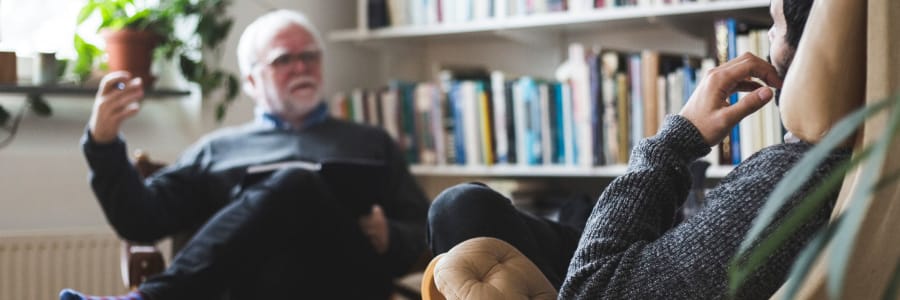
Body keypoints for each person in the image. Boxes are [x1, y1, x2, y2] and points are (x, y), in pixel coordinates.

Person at [427, 0, 840, 298]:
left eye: (774, 23)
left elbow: (592, 290)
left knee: (459, 207)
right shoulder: (844, 153)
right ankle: (578, 211)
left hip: (609, 280)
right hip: (659, 265)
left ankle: (579, 211)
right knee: (470, 203)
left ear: (815, 46)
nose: (768, 39)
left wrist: (677, 140)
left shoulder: (794, 178)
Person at [61, 9, 429, 300]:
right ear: (251, 81)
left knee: (295, 182)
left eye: (310, 57)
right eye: (284, 60)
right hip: (248, 288)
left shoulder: (371, 143)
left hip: (346, 284)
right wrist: (104, 143)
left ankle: (153, 299)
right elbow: (139, 222)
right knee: (292, 184)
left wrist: (389, 235)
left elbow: (425, 232)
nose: (301, 67)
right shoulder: (216, 151)